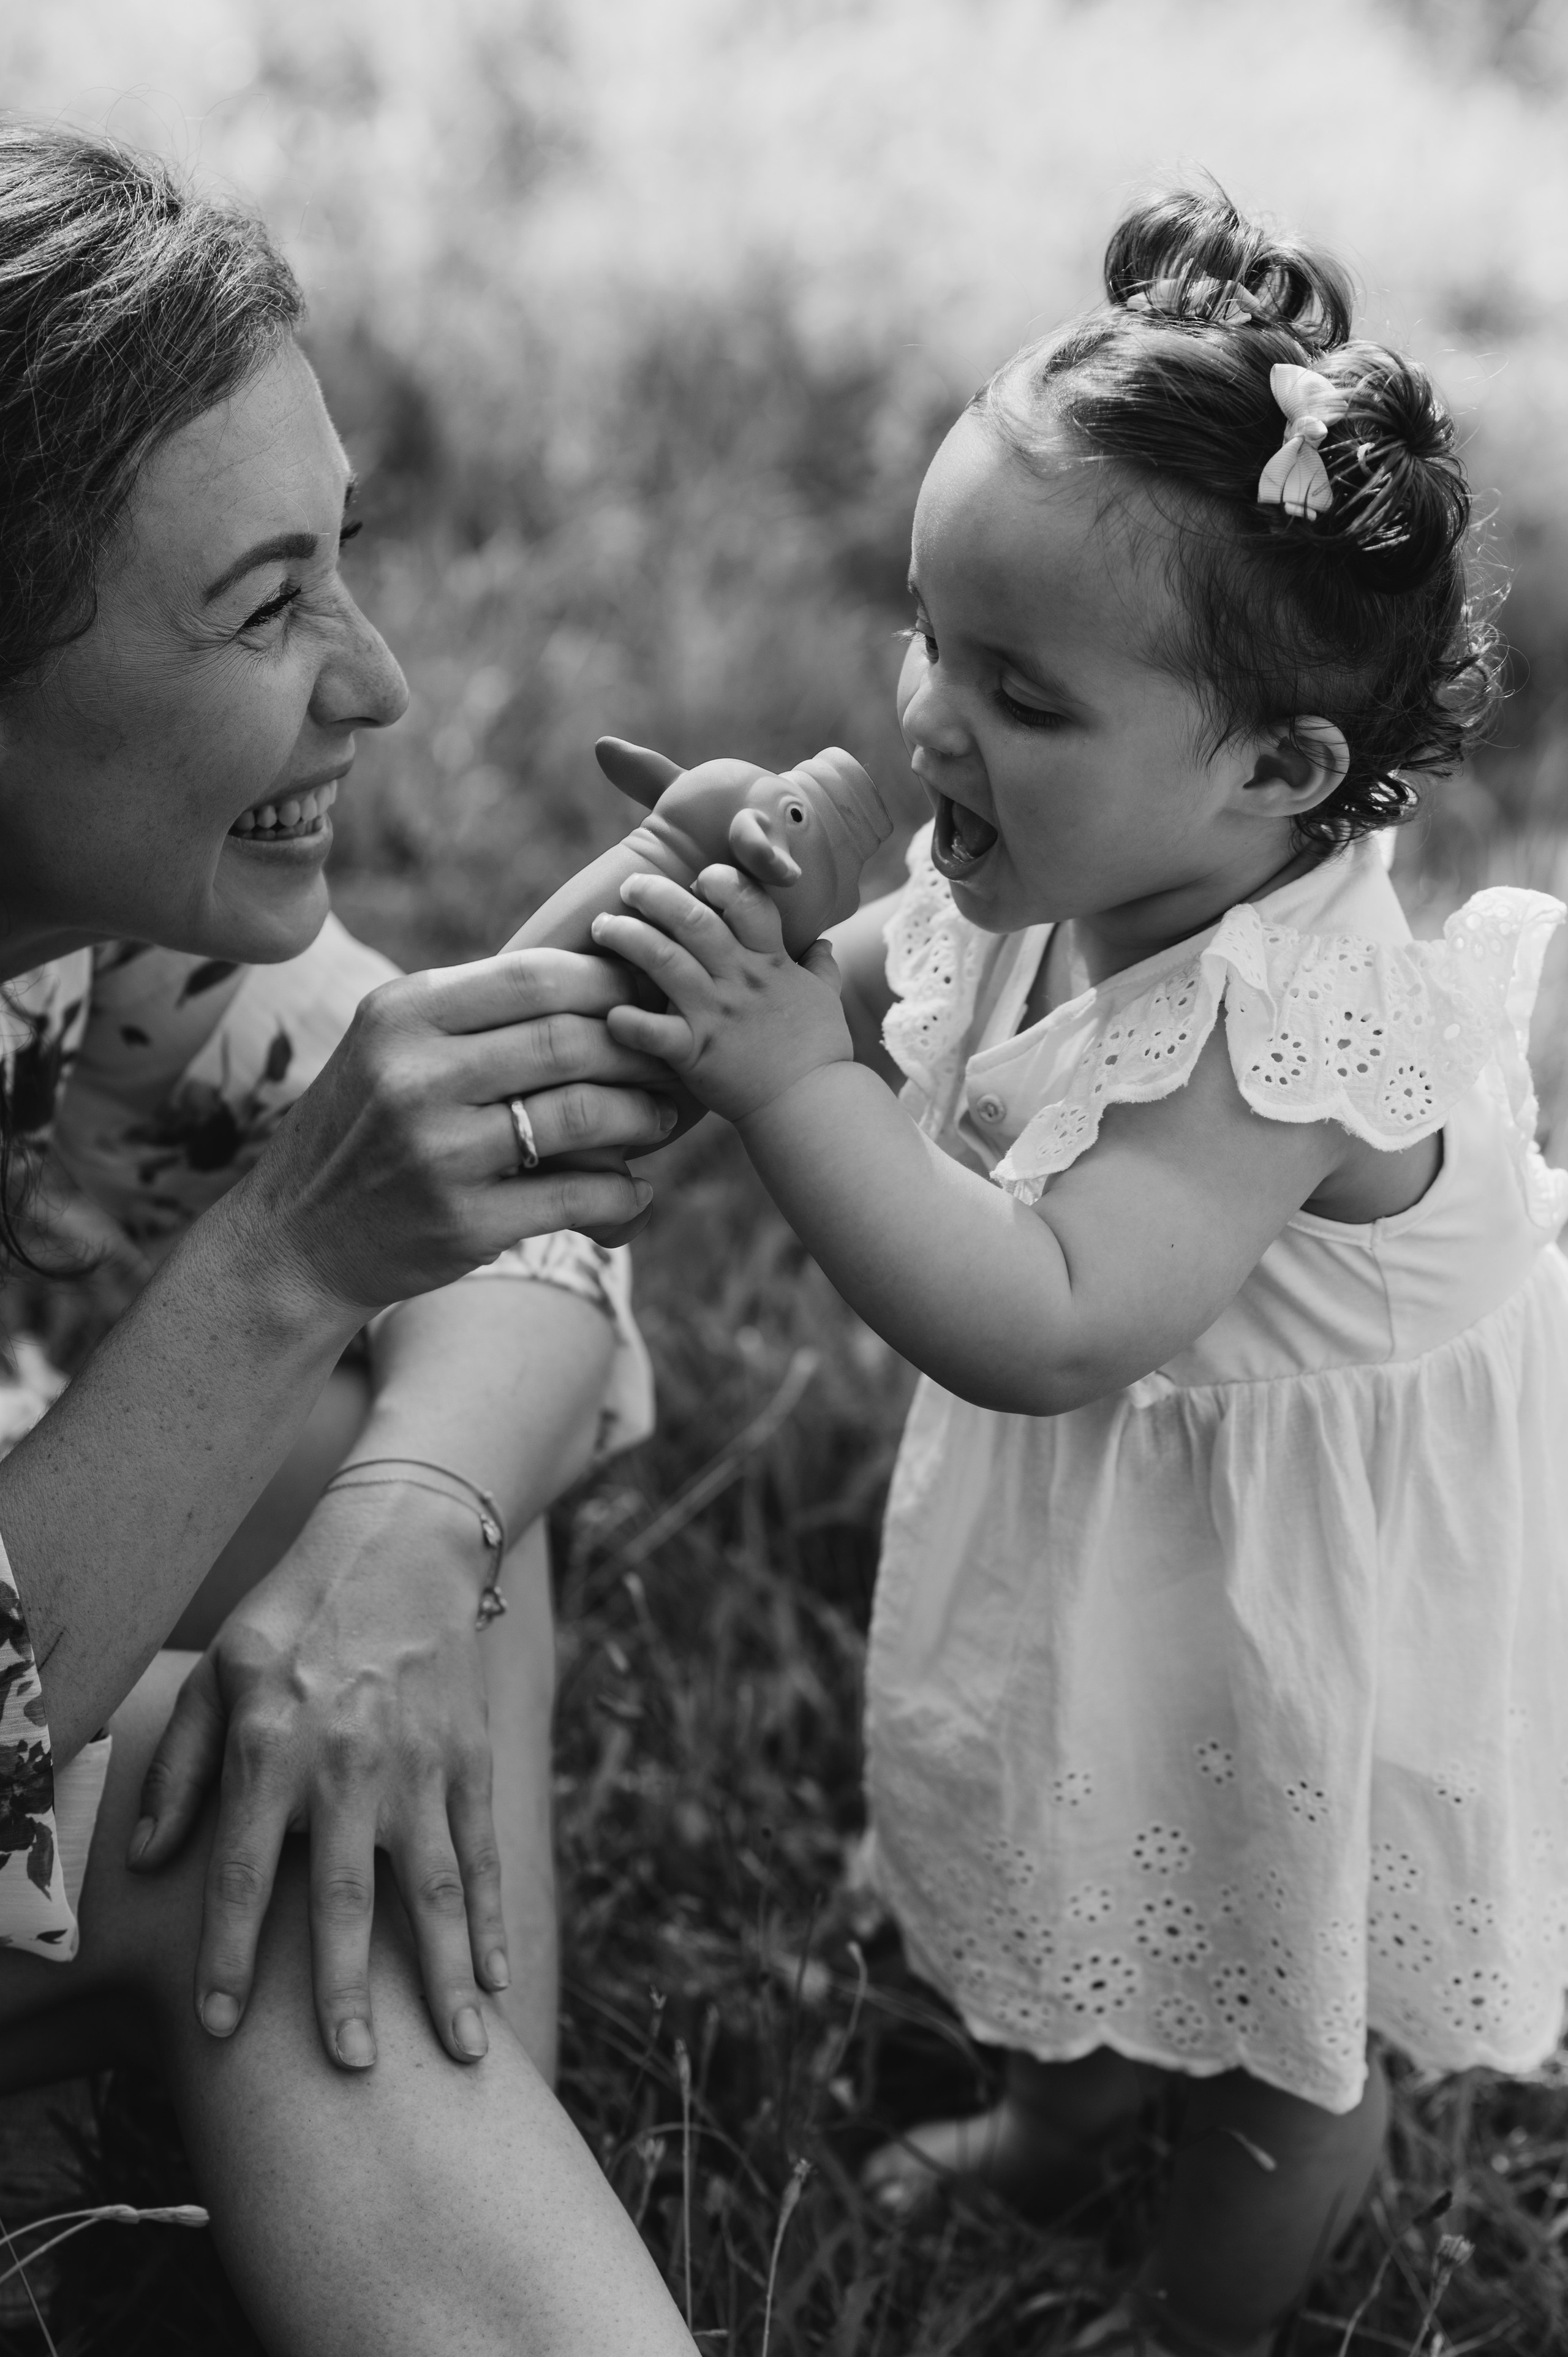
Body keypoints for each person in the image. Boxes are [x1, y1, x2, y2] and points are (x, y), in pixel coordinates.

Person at [588, 187, 1568, 2355]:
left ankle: (1209, 2320)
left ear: (1286, 771)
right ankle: (1059, 2106)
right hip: (1158, 1506)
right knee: (1080, 1804)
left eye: (1015, 687)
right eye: (926, 633)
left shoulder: (1287, 1042)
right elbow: (872, 992)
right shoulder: (1059, 838)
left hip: (1308, 1555)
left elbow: (1045, 1321)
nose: (932, 715)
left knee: (1272, 1984)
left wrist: (778, 1085)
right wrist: (761, 940)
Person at [0, 121, 696, 2353]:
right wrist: (285, 1253)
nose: (376, 681)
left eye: (343, 563)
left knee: (390, 1530)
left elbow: (542, 1270)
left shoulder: (96, 934)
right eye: (260, 605)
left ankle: (414, 2206)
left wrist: (402, 1522)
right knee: (251, 1797)